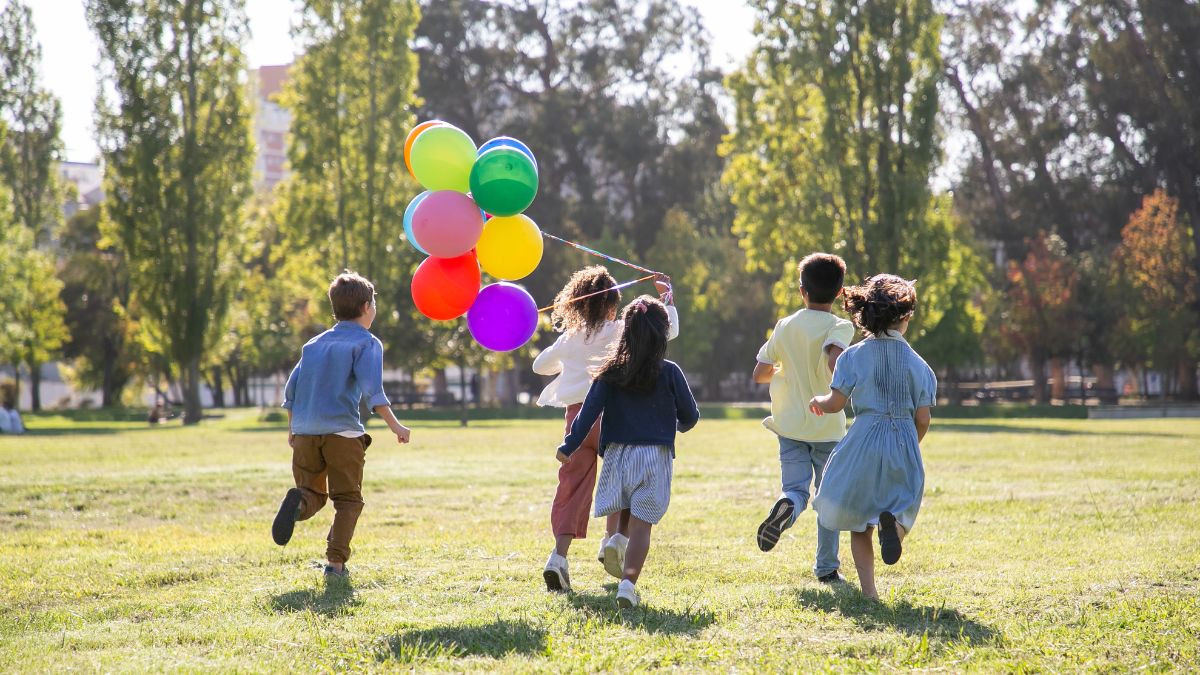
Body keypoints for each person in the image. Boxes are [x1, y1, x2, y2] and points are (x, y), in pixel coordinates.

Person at [533, 266, 679, 593]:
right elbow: (667, 331)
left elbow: (539, 365)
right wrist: (666, 297)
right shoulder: (619, 331)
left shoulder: (569, 339)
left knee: (571, 488)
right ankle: (612, 541)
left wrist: (568, 350)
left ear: (576, 305)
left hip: (576, 422)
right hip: (613, 418)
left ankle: (558, 557)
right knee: (623, 483)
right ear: (613, 304)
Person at [557, 296, 698, 608]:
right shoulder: (670, 371)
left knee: (624, 504)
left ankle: (616, 539)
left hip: (618, 455)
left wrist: (569, 445)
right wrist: (676, 426)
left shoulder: (610, 372)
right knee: (642, 526)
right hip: (654, 456)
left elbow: (587, 414)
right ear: (663, 334)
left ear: (626, 332)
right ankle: (627, 585)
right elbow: (690, 415)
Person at [271, 271, 412, 580]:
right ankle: (335, 564)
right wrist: (396, 426)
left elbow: (291, 391)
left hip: (306, 432)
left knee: (312, 494)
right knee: (347, 500)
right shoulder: (367, 343)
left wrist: (293, 430)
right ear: (366, 307)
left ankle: (298, 504)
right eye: (374, 302)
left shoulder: (314, 344)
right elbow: (373, 392)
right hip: (342, 433)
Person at [809, 274, 936, 600]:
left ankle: (870, 594)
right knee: (903, 504)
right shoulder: (920, 366)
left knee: (858, 521)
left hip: (863, 439)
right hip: (903, 440)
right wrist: (910, 443)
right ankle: (893, 529)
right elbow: (923, 418)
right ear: (905, 316)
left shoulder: (852, 356)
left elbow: (836, 403)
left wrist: (818, 402)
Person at [751, 253, 854, 584]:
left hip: (790, 424)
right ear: (839, 293)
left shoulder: (785, 325)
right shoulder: (840, 325)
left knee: (795, 489)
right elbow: (835, 359)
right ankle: (826, 568)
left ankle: (786, 507)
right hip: (826, 425)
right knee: (828, 497)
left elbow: (760, 373)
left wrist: (788, 371)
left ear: (801, 291)